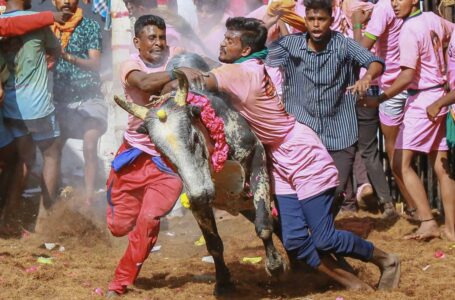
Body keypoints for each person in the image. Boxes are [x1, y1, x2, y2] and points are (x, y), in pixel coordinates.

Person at [180, 15, 400, 292]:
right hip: (279, 160)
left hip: (302, 154)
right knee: (295, 241)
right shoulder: (244, 68)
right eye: (224, 38)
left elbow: (198, 80)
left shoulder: (241, 73)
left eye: (229, 40)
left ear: (246, 50)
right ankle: (356, 286)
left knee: (325, 239)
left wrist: (169, 72)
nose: (222, 44)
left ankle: (386, 260)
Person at [266, 0, 385, 214]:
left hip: (339, 131)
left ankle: (324, 234)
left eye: (321, 19)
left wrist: (367, 77)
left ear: (331, 20)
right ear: (305, 20)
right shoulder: (289, 45)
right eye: (311, 19)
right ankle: (314, 237)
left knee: (335, 189)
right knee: (305, 191)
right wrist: (268, 23)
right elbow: (260, 58)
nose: (316, 24)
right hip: (303, 132)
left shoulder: (344, 44)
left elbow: (374, 61)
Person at [105, 15, 185, 297]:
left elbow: (197, 71)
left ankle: (121, 281)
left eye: (162, 37)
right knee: (118, 227)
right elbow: (147, 84)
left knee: (149, 219)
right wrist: (179, 75)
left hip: (169, 162)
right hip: (133, 157)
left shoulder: (176, 56)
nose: (159, 43)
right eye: (152, 38)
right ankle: (134, 221)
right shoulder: (130, 65)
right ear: (137, 42)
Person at [363, 0, 455, 241]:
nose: (394, 4)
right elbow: (451, 32)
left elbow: (406, 76)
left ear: (414, 0)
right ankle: (451, 228)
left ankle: (427, 221)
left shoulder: (409, 30)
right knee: (440, 164)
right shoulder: (434, 20)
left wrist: (380, 98)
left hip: (423, 101)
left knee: (400, 164)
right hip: (440, 96)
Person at [0, 0, 61, 229]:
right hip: (37, 107)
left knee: (24, 159)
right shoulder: (37, 21)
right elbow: (55, 50)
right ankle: (44, 221)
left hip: (10, 108)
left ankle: (9, 216)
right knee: (52, 153)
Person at [350, 0, 405, 218]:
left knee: (369, 148)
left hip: (373, 87)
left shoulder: (382, 8)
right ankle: (393, 202)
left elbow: (359, 52)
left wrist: (356, 26)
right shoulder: (392, 8)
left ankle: (390, 203)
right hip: (388, 85)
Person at [51, 0, 107, 205]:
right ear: (52, 1)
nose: (66, 1)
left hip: (90, 99)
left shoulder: (89, 26)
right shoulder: (48, 29)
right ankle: (54, 195)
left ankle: (89, 198)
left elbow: (95, 63)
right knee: (52, 148)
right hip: (61, 102)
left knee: (90, 145)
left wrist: (67, 57)